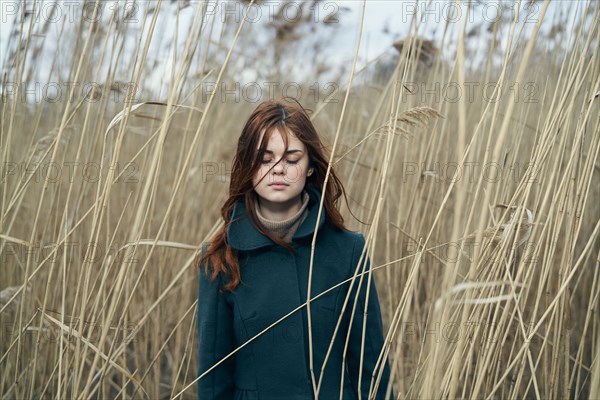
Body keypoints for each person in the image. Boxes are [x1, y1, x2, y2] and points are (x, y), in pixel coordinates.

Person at [196, 97, 394, 399]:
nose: (278, 170)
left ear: (311, 167)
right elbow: (213, 381)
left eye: (291, 159)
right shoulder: (220, 258)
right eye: (265, 158)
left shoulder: (348, 252)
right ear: (249, 165)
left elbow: (371, 370)